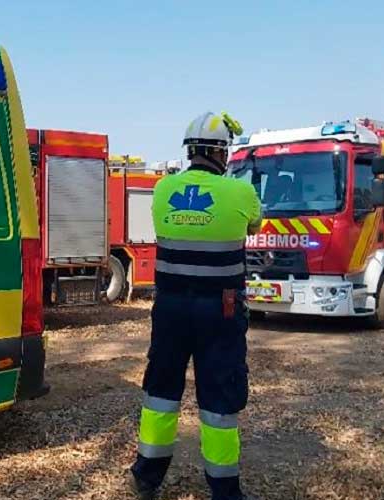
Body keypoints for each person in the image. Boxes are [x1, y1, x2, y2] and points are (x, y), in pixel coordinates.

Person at [130, 111, 262, 500]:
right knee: (219, 397)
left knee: (161, 391)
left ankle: (146, 477)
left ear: (189, 151)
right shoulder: (240, 193)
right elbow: (254, 225)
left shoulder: (162, 190)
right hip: (220, 311)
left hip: (170, 309)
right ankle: (224, 491)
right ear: (222, 154)